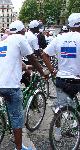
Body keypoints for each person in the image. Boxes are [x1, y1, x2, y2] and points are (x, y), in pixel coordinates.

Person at [0, 20, 47, 150]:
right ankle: (19, 148)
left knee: (11, 108)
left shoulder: (4, 42)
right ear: (22, 31)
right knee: (17, 117)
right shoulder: (20, 38)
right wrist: (42, 72)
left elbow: (13, 60)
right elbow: (32, 57)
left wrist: (26, 67)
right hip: (9, 85)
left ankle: (8, 123)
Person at [42, 13, 80, 141]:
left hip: (62, 79)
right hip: (77, 80)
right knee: (73, 101)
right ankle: (75, 123)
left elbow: (44, 54)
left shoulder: (59, 38)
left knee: (60, 106)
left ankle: (57, 133)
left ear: (69, 25)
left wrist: (53, 71)